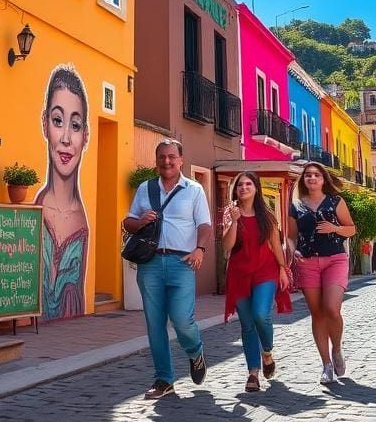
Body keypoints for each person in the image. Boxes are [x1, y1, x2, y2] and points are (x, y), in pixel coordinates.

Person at [123, 138, 212, 400]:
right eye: (162, 156)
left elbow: (204, 225)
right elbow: (128, 222)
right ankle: (164, 379)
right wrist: (140, 222)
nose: (167, 161)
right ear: (156, 160)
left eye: (172, 156)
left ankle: (195, 351)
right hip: (150, 263)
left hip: (182, 262)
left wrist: (200, 249)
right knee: (155, 324)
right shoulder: (145, 188)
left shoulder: (194, 190)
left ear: (181, 159)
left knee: (183, 320)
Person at [287, 160, 356, 385]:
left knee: (332, 309)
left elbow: (351, 229)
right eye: (308, 175)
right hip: (307, 262)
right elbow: (290, 236)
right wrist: (293, 251)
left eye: (316, 175)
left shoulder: (335, 201)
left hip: (335, 259)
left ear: (323, 178)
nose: (312, 178)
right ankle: (326, 364)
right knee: (317, 313)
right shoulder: (296, 205)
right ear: (303, 180)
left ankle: (336, 348)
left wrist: (334, 228)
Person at [222, 171, 291, 392]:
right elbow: (226, 247)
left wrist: (282, 269)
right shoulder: (230, 213)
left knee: (261, 314)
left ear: (256, 188)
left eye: (248, 184)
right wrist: (234, 221)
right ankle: (253, 373)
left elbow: (275, 243)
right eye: (240, 184)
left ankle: (267, 353)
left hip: (264, 270)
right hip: (239, 273)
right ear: (236, 189)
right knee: (247, 324)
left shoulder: (267, 215)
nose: (243, 187)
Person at [34, 64, 89, 321]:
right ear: (45, 124)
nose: (66, 138)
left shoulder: (82, 223)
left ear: (85, 136)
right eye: (58, 121)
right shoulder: (36, 212)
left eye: (75, 125)